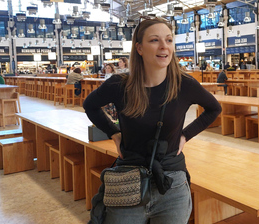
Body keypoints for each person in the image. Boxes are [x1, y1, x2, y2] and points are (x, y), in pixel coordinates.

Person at [83, 17, 221, 224]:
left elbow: (214, 108)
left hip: (172, 185)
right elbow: (90, 105)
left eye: (169, 40)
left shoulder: (184, 84)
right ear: (139, 48)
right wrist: (114, 133)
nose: (164, 46)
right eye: (155, 40)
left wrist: (185, 135)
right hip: (128, 181)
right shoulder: (120, 85)